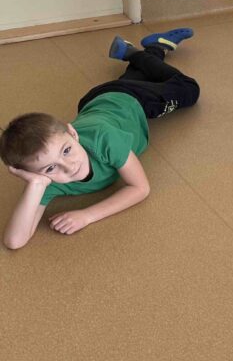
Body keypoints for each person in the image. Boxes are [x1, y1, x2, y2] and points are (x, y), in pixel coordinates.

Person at [1, 29, 199, 249]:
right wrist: (36, 184)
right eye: (50, 168)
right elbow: (14, 241)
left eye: (66, 150)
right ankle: (142, 51)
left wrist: (87, 215)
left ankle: (140, 53)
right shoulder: (46, 183)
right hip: (98, 101)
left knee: (189, 89)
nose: (69, 166)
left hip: (132, 100)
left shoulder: (105, 139)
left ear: (72, 133)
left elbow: (140, 188)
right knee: (141, 76)